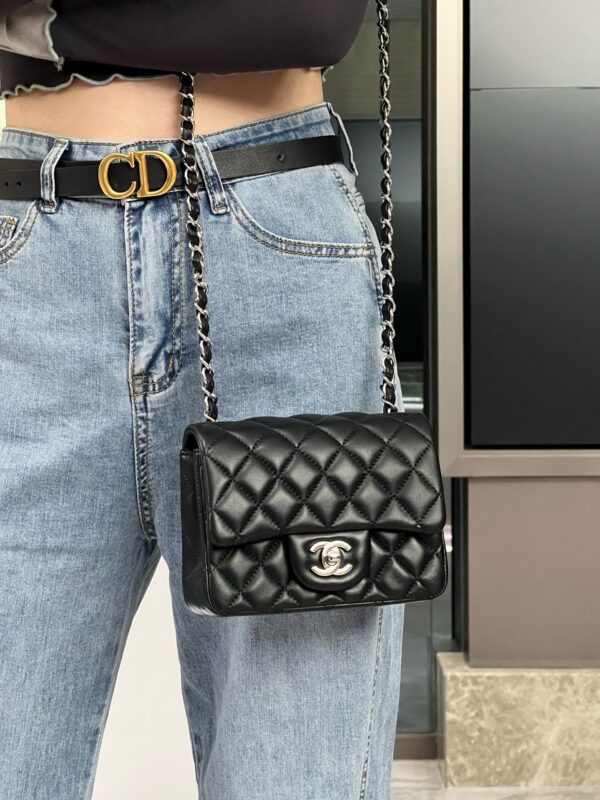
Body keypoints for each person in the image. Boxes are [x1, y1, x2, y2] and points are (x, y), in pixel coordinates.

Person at [0, 2, 406, 798]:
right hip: (31, 257)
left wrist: (43, 22)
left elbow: (309, 18)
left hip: (274, 245)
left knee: (298, 775)